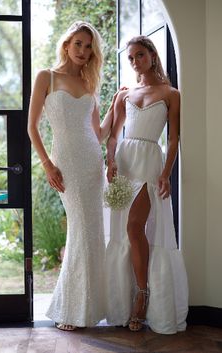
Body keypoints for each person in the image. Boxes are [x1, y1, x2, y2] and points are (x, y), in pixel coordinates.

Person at [27, 21, 115, 331]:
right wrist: (48, 165)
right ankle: (72, 308)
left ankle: (86, 308)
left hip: (92, 162)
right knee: (81, 228)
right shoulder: (46, 77)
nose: (83, 51)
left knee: (90, 232)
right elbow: (32, 127)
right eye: (78, 44)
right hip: (65, 163)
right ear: (67, 44)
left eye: (89, 46)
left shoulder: (89, 83)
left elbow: (99, 134)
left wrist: (116, 105)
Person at [105, 35, 188, 333]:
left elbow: (174, 138)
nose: (135, 62)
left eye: (140, 55)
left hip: (149, 163)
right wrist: (110, 159)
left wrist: (166, 172)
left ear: (152, 55)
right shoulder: (125, 94)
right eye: (130, 58)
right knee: (124, 231)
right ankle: (127, 296)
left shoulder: (171, 93)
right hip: (125, 163)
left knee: (134, 226)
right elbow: (113, 135)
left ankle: (143, 295)